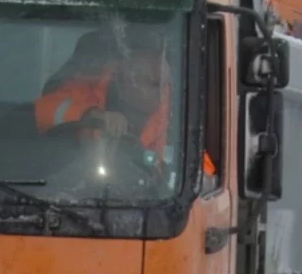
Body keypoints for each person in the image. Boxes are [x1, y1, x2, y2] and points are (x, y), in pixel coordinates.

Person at [33, 30, 215, 178]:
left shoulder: (178, 115)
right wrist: (90, 115)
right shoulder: (84, 88)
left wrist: (198, 179)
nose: (160, 91)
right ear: (124, 70)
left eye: (162, 83)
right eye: (150, 82)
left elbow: (203, 178)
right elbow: (42, 112)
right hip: (78, 194)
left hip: (149, 208)